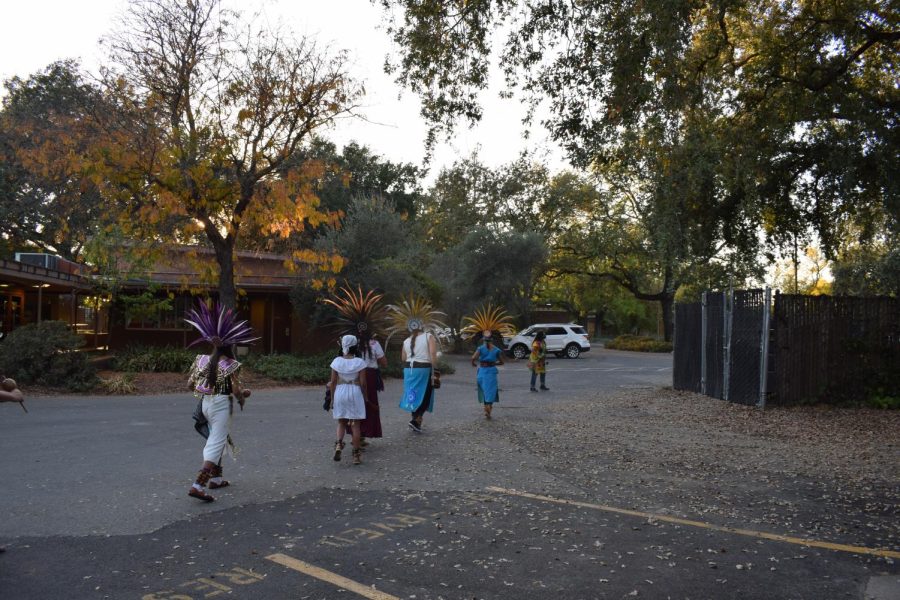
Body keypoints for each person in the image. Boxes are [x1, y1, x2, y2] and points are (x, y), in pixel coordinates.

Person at [184, 302, 258, 502]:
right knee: (216, 442)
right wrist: (243, 395)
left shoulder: (201, 359)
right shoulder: (231, 364)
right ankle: (198, 484)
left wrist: (206, 389)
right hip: (220, 405)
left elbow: (190, 385)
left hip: (205, 404)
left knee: (218, 439)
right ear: (229, 346)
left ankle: (216, 479)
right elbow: (235, 390)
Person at [329, 334, 368, 465]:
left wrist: (332, 399)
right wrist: (366, 396)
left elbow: (333, 382)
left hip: (340, 391)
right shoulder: (360, 362)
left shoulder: (336, 361)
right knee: (355, 425)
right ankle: (356, 455)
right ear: (355, 345)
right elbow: (363, 383)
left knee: (341, 422)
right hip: (355, 391)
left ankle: (339, 444)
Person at [399, 318, 439, 432]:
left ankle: (415, 420)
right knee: (426, 393)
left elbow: (403, 358)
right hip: (423, 369)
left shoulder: (406, 340)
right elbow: (432, 354)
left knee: (413, 393)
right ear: (422, 326)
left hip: (408, 370)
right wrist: (435, 368)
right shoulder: (428, 336)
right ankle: (416, 420)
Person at [358, 333, 387, 446]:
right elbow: (384, 362)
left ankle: (356, 433)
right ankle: (362, 434)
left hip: (354, 375)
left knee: (357, 403)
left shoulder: (352, 342)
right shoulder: (374, 343)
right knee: (369, 403)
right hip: (369, 375)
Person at [470, 330, 504, 419]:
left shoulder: (480, 348)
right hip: (491, 372)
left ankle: (486, 407)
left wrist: (473, 363)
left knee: (485, 390)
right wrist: (493, 363)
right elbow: (502, 362)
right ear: (492, 340)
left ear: (483, 340)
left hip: (482, 372)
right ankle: (489, 407)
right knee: (491, 391)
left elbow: (473, 357)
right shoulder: (496, 350)